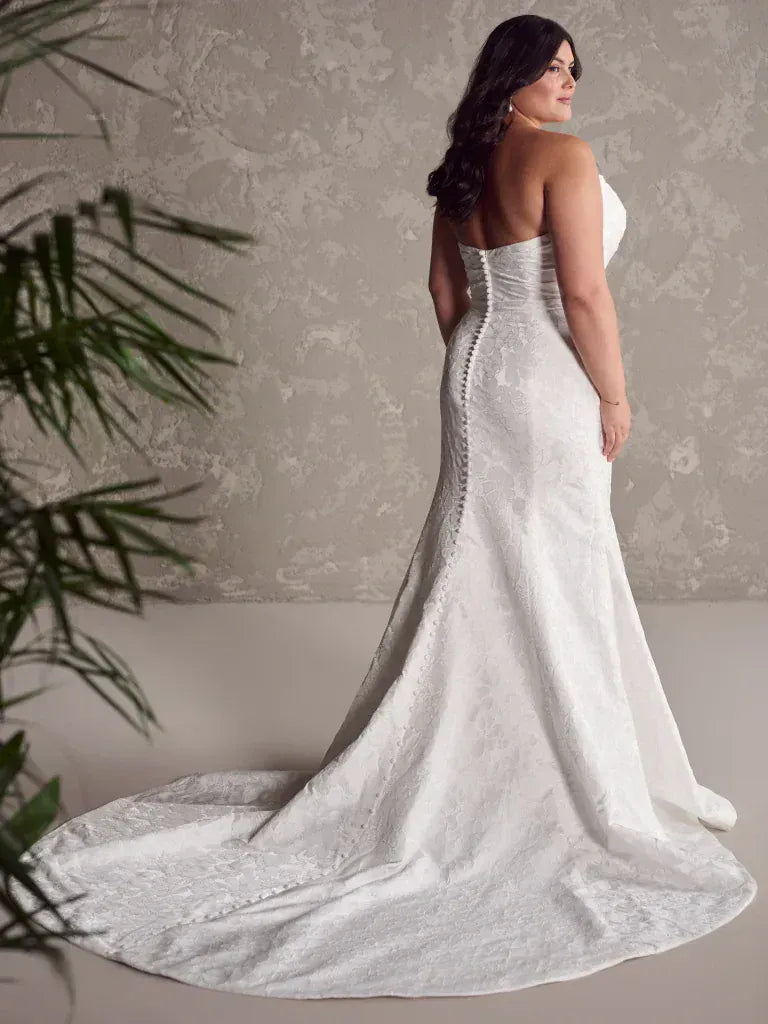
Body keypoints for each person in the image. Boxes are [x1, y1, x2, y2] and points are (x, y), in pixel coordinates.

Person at [10, 14, 757, 1000]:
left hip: (477, 376)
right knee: (549, 565)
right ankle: (556, 776)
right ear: (514, 73)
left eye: (578, 69)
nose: (570, 82)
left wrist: (477, 362)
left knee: (483, 564)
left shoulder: (465, 169)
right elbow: (583, 294)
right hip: (546, 380)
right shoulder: (563, 159)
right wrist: (613, 394)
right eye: (553, 65)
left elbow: (446, 292)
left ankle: (491, 758)